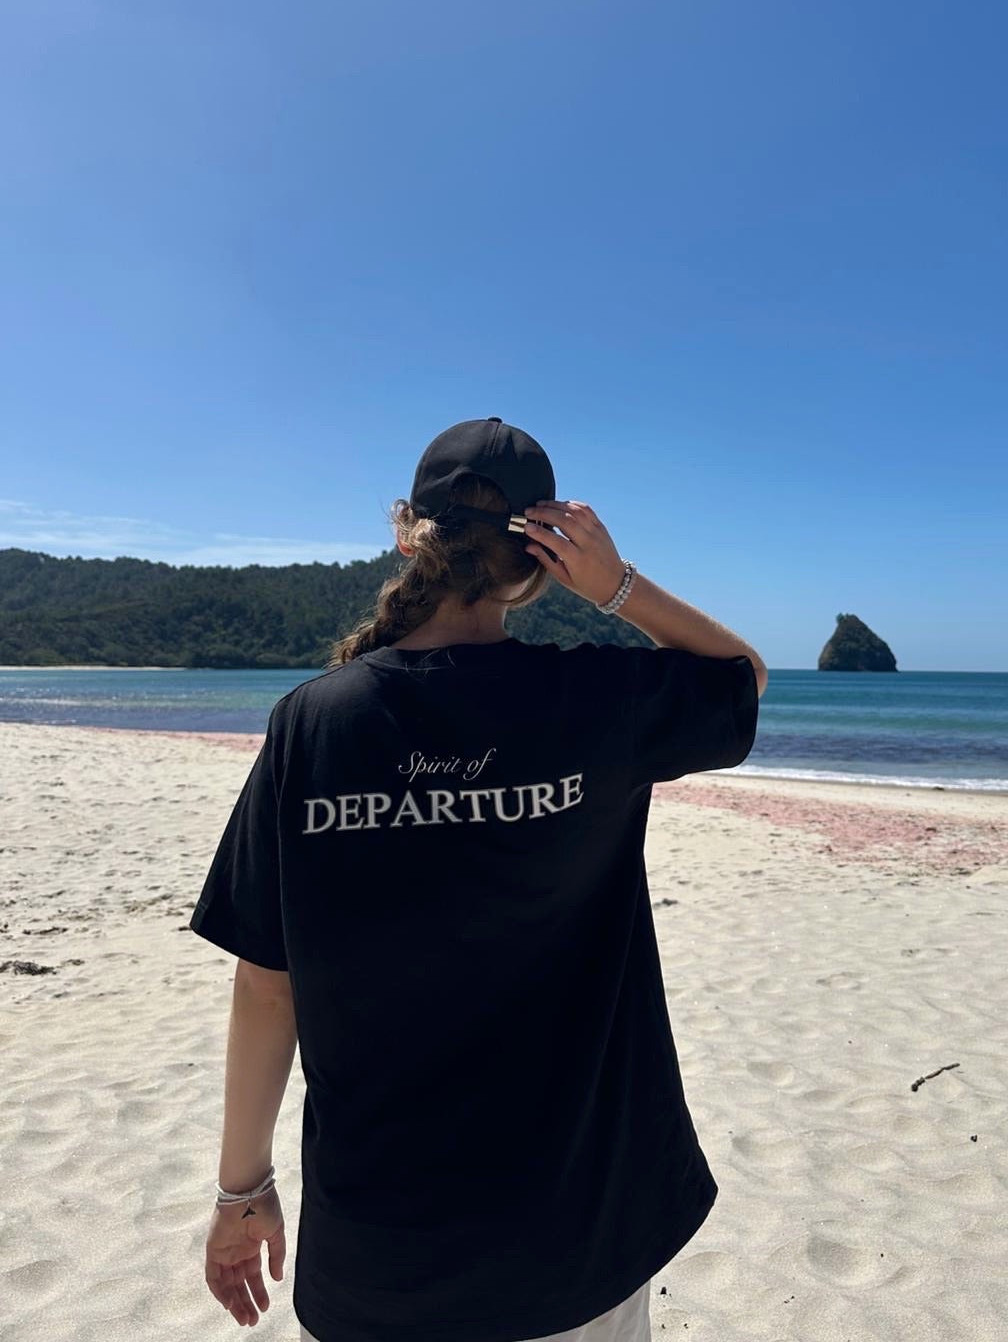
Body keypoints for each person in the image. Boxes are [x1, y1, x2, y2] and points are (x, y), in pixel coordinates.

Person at [190, 416, 766, 1342]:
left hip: (380, 1251)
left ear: (406, 535)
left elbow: (266, 984)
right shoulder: (599, 701)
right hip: (574, 1238)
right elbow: (742, 676)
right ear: (540, 559)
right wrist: (615, 585)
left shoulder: (312, 724)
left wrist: (241, 1189)